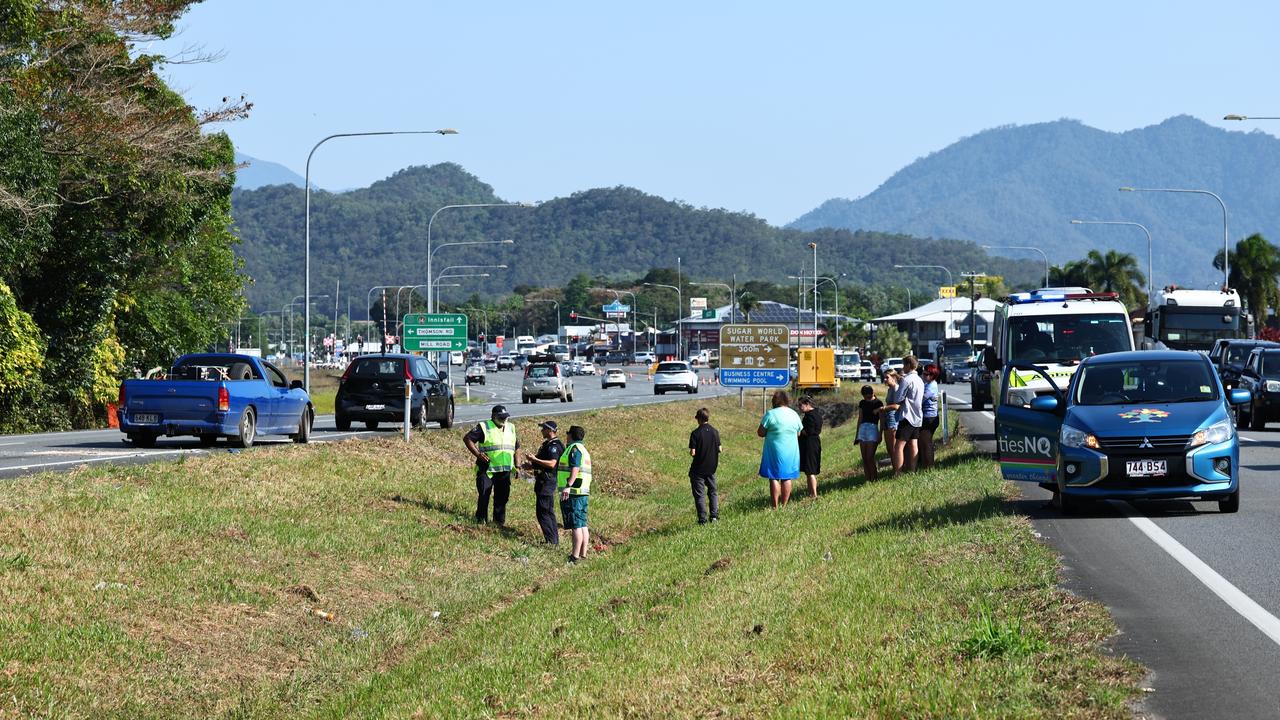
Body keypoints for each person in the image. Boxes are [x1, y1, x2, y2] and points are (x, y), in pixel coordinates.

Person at [463, 405, 520, 525]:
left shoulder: (511, 428)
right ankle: (481, 520)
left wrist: (518, 465)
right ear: (494, 417)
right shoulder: (484, 427)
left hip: (504, 470)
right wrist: (478, 454)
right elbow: (468, 439)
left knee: (502, 497)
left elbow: (516, 447)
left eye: (505, 417)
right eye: (501, 417)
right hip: (487, 469)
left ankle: (498, 523)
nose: (504, 419)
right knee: (484, 494)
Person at [521, 420, 565, 544]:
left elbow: (552, 464)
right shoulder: (547, 444)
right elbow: (542, 463)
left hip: (547, 482)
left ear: (550, 430)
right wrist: (530, 465)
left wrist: (534, 459)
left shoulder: (555, 446)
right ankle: (553, 540)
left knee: (543, 512)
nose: (542, 431)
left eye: (544, 429)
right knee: (547, 511)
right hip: (543, 481)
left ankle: (551, 541)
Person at [757, 389, 802, 508]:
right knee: (787, 477)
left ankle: (775, 506)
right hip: (791, 451)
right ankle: (784, 504)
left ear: (774, 401)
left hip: (774, 450)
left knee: (774, 476)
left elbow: (760, 433)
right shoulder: (794, 414)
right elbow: (798, 433)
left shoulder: (770, 414)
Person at [558, 425, 592, 562]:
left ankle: (575, 556)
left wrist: (568, 486)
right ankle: (583, 554)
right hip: (582, 491)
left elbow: (575, 468)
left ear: (571, 435)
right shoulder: (584, 449)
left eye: (567, 434)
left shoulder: (574, 449)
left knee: (576, 525)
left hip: (574, 492)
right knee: (582, 523)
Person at [688, 407, 721, 524]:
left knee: (700, 495)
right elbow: (720, 449)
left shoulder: (695, 433)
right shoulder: (715, 432)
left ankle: (702, 519)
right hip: (711, 468)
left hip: (698, 469)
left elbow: (693, 452)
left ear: (699, 419)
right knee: (712, 491)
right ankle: (714, 516)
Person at [894, 356, 924, 473]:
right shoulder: (919, 380)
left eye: (903, 365)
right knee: (913, 443)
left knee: (899, 446)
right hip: (917, 416)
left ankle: (898, 472)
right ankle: (912, 470)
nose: (903, 367)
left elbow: (898, 398)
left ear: (908, 365)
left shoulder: (907, 380)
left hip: (907, 416)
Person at [797, 395, 823, 498]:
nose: (799, 407)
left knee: (810, 471)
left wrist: (800, 431)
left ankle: (814, 494)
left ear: (807, 404)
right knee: (809, 471)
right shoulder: (816, 414)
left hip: (810, 444)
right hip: (813, 443)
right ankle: (811, 493)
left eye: (800, 405)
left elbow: (810, 431)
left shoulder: (810, 416)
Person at [856, 384, 884, 481]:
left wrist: (880, 434)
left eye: (869, 395)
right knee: (864, 458)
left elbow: (882, 420)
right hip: (863, 428)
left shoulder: (878, 403)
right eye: (865, 396)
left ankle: (874, 478)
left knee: (869, 457)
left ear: (873, 393)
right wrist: (857, 435)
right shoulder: (862, 403)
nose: (867, 397)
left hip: (873, 428)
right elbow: (860, 418)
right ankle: (868, 479)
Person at [919, 364, 941, 469]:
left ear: (932, 375)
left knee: (926, 443)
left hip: (929, 418)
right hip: (929, 416)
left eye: (925, 374)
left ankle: (930, 467)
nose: (923, 375)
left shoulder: (930, 387)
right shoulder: (930, 384)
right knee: (923, 443)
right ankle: (926, 466)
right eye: (923, 373)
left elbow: (920, 400)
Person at [881, 369, 901, 468]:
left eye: (887, 377)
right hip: (888, 418)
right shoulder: (890, 389)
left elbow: (897, 406)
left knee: (893, 448)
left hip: (894, 418)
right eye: (884, 377)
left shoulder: (896, 388)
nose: (885, 379)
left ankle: (898, 469)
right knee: (889, 449)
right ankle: (894, 468)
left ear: (893, 378)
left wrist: (884, 408)